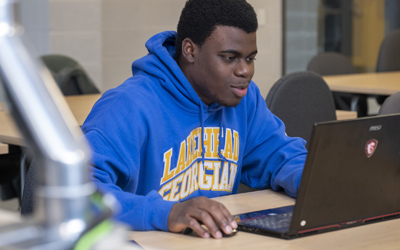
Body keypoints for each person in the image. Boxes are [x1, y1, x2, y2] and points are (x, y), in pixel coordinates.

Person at [81, 0, 307, 239]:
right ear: (190, 50)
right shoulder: (128, 106)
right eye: (230, 57)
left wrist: (315, 182)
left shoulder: (244, 98)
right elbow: (79, 194)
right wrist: (166, 213)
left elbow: (280, 155)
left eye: (250, 59)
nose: (245, 71)